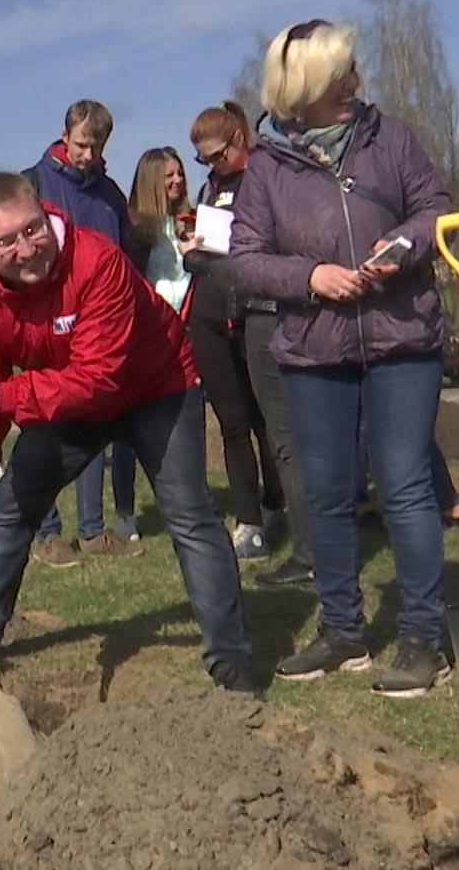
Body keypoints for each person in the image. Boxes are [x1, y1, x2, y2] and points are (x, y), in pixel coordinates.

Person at [0, 173, 261, 696]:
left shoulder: (97, 261)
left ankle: (230, 660)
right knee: (11, 511)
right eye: (7, 242)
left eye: (33, 229)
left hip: (155, 385)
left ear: (44, 214)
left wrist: (1, 400)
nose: (27, 249)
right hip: (65, 397)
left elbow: (97, 379)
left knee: (189, 516)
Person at [231, 19, 455, 697]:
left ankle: (424, 636)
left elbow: (435, 209)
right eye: (340, 76)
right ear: (303, 89)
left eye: (353, 70)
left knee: (405, 483)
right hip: (313, 350)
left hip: (402, 340)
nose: (355, 82)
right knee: (326, 494)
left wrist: (401, 250)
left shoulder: (393, 138)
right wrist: (312, 278)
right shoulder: (267, 167)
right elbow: (245, 260)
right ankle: (342, 630)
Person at [182, 101, 306, 571]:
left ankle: (279, 508)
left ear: (239, 141)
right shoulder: (212, 188)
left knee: (269, 421)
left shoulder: (266, 179)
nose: (209, 166)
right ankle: (248, 520)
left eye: (214, 156)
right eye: (202, 160)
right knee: (233, 423)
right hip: (214, 313)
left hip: (256, 314)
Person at [21, 99, 142, 565]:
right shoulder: (33, 185)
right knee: (44, 428)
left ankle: (92, 530)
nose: (88, 155)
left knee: (94, 426)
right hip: (45, 323)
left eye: (96, 146)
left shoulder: (109, 195)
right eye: (81, 144)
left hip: (97, 329)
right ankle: (47, 533)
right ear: (64, 134)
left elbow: (125, 258)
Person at [105, 146, 196, 548]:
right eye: (168, 176)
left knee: (184, 423)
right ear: (150, 181)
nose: (176, 181)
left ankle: (188, 504)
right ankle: (125, 513)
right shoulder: (136, 229)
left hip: (188, 336)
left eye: (179, 174)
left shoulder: (190, 223)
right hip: (147, 339)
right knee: (128, 433)